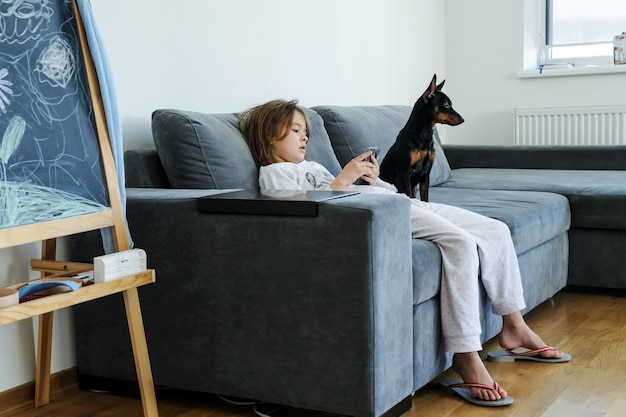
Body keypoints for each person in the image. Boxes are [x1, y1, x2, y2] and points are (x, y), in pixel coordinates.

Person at [238, 99, 570, 406]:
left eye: (305, 132)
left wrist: (371, 179)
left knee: (494, 229)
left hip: (394, 201)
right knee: (460, 243)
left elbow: (351, 189)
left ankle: (513, 324)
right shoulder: (275, 173)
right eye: (296, 130)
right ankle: (465, 354)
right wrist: (344, 180)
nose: (304, 137)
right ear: (268, 137)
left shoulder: (314, 166)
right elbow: (307, 208)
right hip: (379, 214)